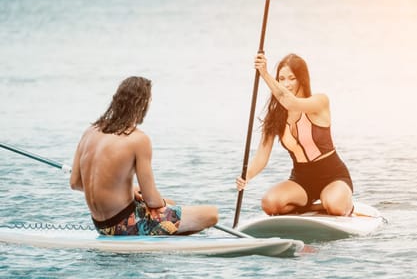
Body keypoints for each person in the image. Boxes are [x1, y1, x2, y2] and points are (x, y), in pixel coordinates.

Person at [70, 76, 218, 236]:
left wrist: (125, 190)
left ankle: (163, 230)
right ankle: (160, 236)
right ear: (142, 105)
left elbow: (76, 183)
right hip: (126, 225)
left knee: (171, 204)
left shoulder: (90, 131)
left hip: (101, 226)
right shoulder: (138, 139)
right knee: (211, 214)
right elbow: (152, 200)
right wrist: (161, 206)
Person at [236, 54, 354, 216]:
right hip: (302, 179)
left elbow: (289, 101)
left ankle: (338, 203)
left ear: (302, 79)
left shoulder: (319, 102)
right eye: (281, 79)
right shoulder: (275, 117)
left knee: (335, 206)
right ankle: (314, 207)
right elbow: (262, 156)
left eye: (292, 78)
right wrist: (246, 176)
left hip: (333, 175)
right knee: (270, 204)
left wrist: (264, 73)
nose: (286, 84)